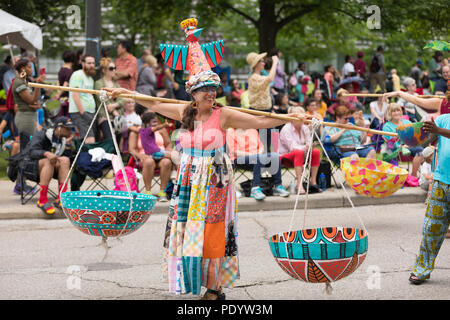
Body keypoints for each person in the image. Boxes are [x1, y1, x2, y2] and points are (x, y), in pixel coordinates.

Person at [107, 26, 304, 300]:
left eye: (213, 89)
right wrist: (120, 92)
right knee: (189, 231)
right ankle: (193, 280)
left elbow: (262, 121)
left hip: (215, 182)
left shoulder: (224, 114)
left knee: (213, 232)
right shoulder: (183, 111)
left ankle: (215, 288)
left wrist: (294, 118)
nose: (210, 94)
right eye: (204, 90)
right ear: (193, 93)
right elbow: (149, 101)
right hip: (188, 182)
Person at [408, 113, 450, 285]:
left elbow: (439, 131)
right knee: (431, 228)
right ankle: (422, 270)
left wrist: (438, 130)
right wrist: (408, 136)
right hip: (442, 181)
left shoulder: (440, 125)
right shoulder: (443, 119)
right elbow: (425, 142)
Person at [20, 116, 74, 215]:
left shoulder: (62, 140)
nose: (71, 131)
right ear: (59, 128)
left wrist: (68, 149)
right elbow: (31, 152)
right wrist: (46, 153)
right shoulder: (42, 135)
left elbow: (64, 158)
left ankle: (61, 198)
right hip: (31, 166)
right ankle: (42, 200)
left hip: (50, 169)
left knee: (65, 160)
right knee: (49, 160)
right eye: (68, 128)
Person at [226, 127, 289, 200]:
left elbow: (261, 147)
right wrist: (254, 155)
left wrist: (258, 153)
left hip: (258, 157)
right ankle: (255, 188)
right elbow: (235, 151)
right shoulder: (231, 131)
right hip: (240, 159)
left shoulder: (252, 130)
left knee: (274, 156)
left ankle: (277, 186)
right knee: (258, 157)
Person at [128, 111, 175, 201]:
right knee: (149, 161)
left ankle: (162, 192)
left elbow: (168, 144)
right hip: (145, 158)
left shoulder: (160, 130)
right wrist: (140, 156)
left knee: (167, 162)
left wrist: (167, 151)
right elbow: (132, 149)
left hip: (160, 155)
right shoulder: (137, 131)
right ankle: (148, 192)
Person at [279, 107, 321, 194]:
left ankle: (313, 182)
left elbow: (309, 141)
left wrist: (310, 146)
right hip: (285, 157)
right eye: (300, 117)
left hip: (301, 155)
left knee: (316, 152)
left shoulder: (304, 128)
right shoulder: (286, 129)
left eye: (303, 116)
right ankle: (299, 184)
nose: (303, 118)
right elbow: (292, 147)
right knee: (299, 152)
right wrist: (305, 147)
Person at [247, 51, 280, 152]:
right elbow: (270, 78)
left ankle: (268, 163)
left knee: (268, 140)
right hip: (258, 112)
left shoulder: (259, 76)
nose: (264, 63)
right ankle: (262, 164)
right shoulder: (254, 78)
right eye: (261, 61)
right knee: (262, 143)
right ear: (256, 64)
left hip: (265, 111)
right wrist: (275, 62)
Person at [382, 103, 424, 177]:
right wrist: (401, 145)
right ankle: (414, 176)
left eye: (398, 110)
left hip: (411, 146)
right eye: (393, 111)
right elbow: (389, 143)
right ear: (389, 113)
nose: (396, 113)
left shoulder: (407, 122)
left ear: (401, 111)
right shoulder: (387, 126)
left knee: (425, 151)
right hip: (396, 150)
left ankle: (415, 174)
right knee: (420, 150)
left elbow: (414, 135)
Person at [12, 59, 46, 148]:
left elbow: (33, 101)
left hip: (29, 116)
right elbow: (31, 100)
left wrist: (36, 105)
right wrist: (38, 84)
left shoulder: (24, 81)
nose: (32, 70)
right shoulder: (19, 82)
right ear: (23, 69)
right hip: (25, 118)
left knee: (29, 146)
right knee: (26, 147)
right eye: (30, 67)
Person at [94, 57, 126, 141]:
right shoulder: (98, 83)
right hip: (105, 117)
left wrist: (114, 105)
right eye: (111, 68)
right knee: (110, 141)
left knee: (118, 144)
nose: (114, 70)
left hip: (118, 118)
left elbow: (123, 100)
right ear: (104, 70)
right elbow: (105, 101)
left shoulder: (116, 85)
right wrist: (115, 113)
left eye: (115, 68)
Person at [68, 55, 97, 144]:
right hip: (79, 113)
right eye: (89, 63)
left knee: (87, 140)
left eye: (93, 63)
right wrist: (83, 113)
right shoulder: (77, 75)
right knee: (89, 141)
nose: (91, 65)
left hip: (90, 113)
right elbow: (75, 95)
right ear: (83, 63)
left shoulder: (90, 78)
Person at [53, 50, 75, 117]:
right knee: (67, 117)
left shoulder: (61, 69)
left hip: (62, 97)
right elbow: (66, 84)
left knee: (62, 114)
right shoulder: (70, 71)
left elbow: (58, 82)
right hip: (67, 97)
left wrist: (58, 92)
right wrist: (58, 94)